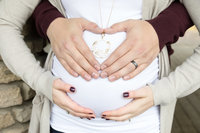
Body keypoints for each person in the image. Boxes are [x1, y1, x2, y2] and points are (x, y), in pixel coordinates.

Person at [0, 0, 199, 133]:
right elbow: (5, 22)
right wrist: (41, 81)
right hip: (64, 124)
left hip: (142, 125)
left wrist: (165, 91)